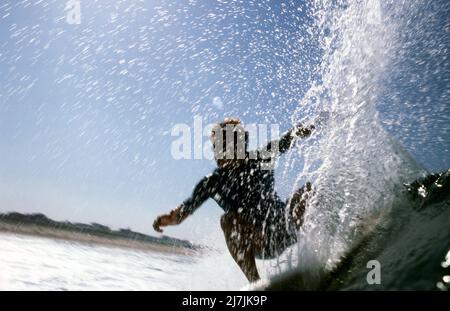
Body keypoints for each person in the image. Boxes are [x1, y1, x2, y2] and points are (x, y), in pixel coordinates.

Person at [153, 118, 314, 282]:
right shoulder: (212, 182)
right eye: (215, 146)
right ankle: (256, 284)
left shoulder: (262, 158)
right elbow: (182, 212)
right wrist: (169, 219)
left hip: (286, 228)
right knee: (229, 220)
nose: (216, 151)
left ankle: (329, 245)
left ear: (239, 144)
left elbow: (290, 137)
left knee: (309, 191)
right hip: (260, 241)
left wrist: (309, 126)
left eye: (221, 145)